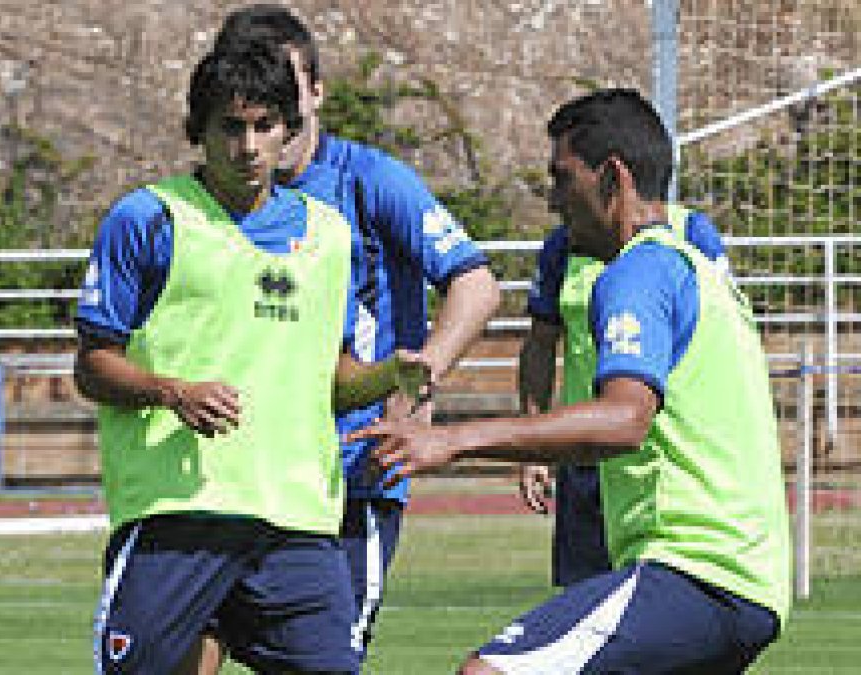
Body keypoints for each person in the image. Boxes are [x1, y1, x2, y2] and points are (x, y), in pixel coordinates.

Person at [351, 88, 791, 673]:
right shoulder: (696, 267)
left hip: (697, 571)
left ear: (613, 177)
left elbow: (625, 418)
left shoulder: (640, 269)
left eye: (563, 178)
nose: (555, 200)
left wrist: (454, 440)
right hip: (740, 579)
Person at [76, 39, 426, 674]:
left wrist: (389, 376)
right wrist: (172, 393)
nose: (248, 146)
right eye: (230, 127)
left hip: (296, 519)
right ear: (199, 131)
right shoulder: (147, 220)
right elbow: (93, 365)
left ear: (289, 129)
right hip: (179, 514)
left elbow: (334, 380)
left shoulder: (328, 236)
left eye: (265, 126)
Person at [206, 5, 501, 662]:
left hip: (351, 476)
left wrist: (418, 375)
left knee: (327, 655)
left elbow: (476, 285)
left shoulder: (370, 181)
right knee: (197, 632)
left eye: (284, 89)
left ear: (315, 92)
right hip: (244, 474)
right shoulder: (215, 202)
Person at [518, 198, 731, 587]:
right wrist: (535, 448)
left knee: (663, 607)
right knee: (583, 611)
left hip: (663, 463)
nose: (554, 197)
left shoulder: (692, 234)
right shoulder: (565, 244)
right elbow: (540, 342)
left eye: (563, 179)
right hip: (586, 457)